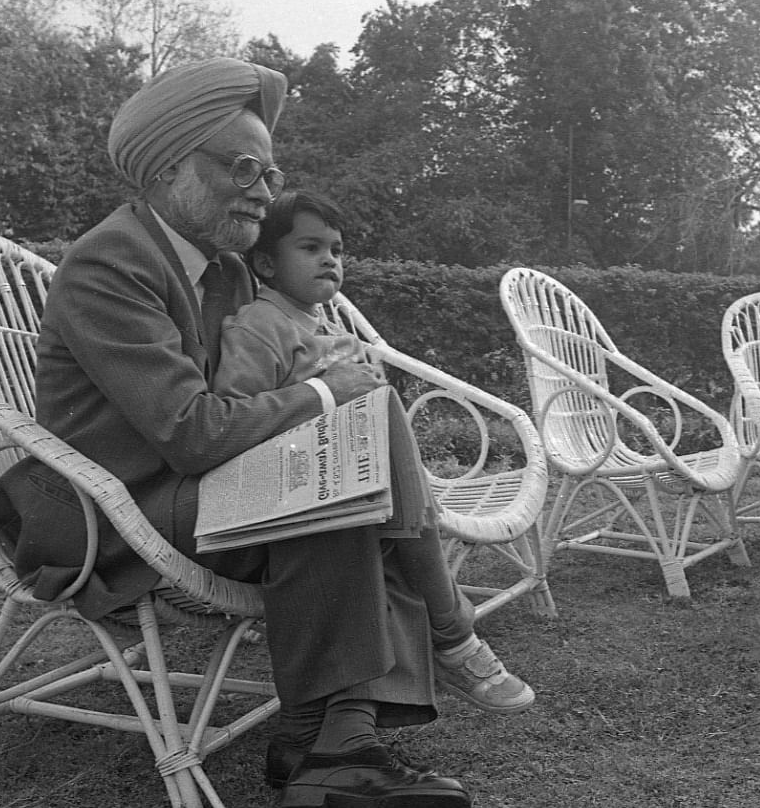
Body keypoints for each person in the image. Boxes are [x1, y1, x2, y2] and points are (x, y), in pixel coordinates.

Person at [0, 58, 511, 808]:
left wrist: (339, 396)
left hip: (182, 490)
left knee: (356, 476)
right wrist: (331, 395)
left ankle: (326, 738)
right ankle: (377, 702)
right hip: (105, 507)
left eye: (270, 171)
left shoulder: (228, 270)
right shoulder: (111, 262)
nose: (266, 190)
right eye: (243, 167)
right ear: (170, 168)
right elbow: (193, 433)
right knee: (327, 490)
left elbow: (270, 378)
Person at [212, 186, 534, 716]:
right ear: (266, 262)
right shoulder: (259, 326)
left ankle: (418, 664)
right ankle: (453, 635)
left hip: (361, 487)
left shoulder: (323, 326)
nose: (330, 260)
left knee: (385, 435)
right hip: (291, 489)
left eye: (336, 250)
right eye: (311, 248)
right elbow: (236, 413)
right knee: (388, 444)